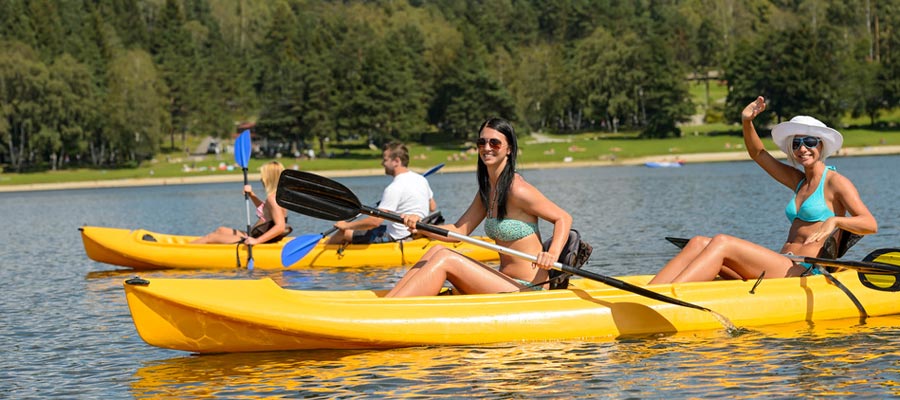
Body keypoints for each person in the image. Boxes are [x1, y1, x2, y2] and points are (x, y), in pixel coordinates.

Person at [649, 96, 877, 284]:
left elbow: (869, 224)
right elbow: (758, 154)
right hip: (782, 262)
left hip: (805, 270)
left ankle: (667, 299)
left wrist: (835, 222)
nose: (803, 148)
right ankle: (648, 293)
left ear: (821, 145)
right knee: (698, 242)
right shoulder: (798, 180)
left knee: (722, 241)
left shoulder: (835, 182)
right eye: (796, 144)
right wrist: (747, 122)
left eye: (809, 141)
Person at [385, 117, 573, 297]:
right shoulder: (488, 189)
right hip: (504, 280)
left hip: (528, 288)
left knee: (446, 259)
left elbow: (563, 218)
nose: (487, 148)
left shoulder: (517, 189)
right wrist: (420, 226)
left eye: (495, 143)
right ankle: (388, 303)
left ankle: (392, 310)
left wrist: (552, 254)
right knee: (435, 251)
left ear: (509, 149)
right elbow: (458, 231)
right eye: (481, 142)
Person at [326, 142, 437, 244]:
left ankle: (326, 254)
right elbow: (432, 206)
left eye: (385, 159)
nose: (382, 163)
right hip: (417, 232)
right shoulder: (421, 179)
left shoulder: (394, 187)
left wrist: (346, 225)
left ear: (397, 161)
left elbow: (375, 222)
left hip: (397, 236)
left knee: (342, 233)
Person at [191, 161, 290, 245]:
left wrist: (256, 241)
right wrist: (252, 195)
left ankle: (185, 249)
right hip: (252, 235)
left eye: (263, 176)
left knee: (211, 237)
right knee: (221, 230)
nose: (261, 179)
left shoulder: (272, 199)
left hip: (256, 239)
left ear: (269, 178)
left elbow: (280, 227)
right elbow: (266, 211)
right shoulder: (277, 197)